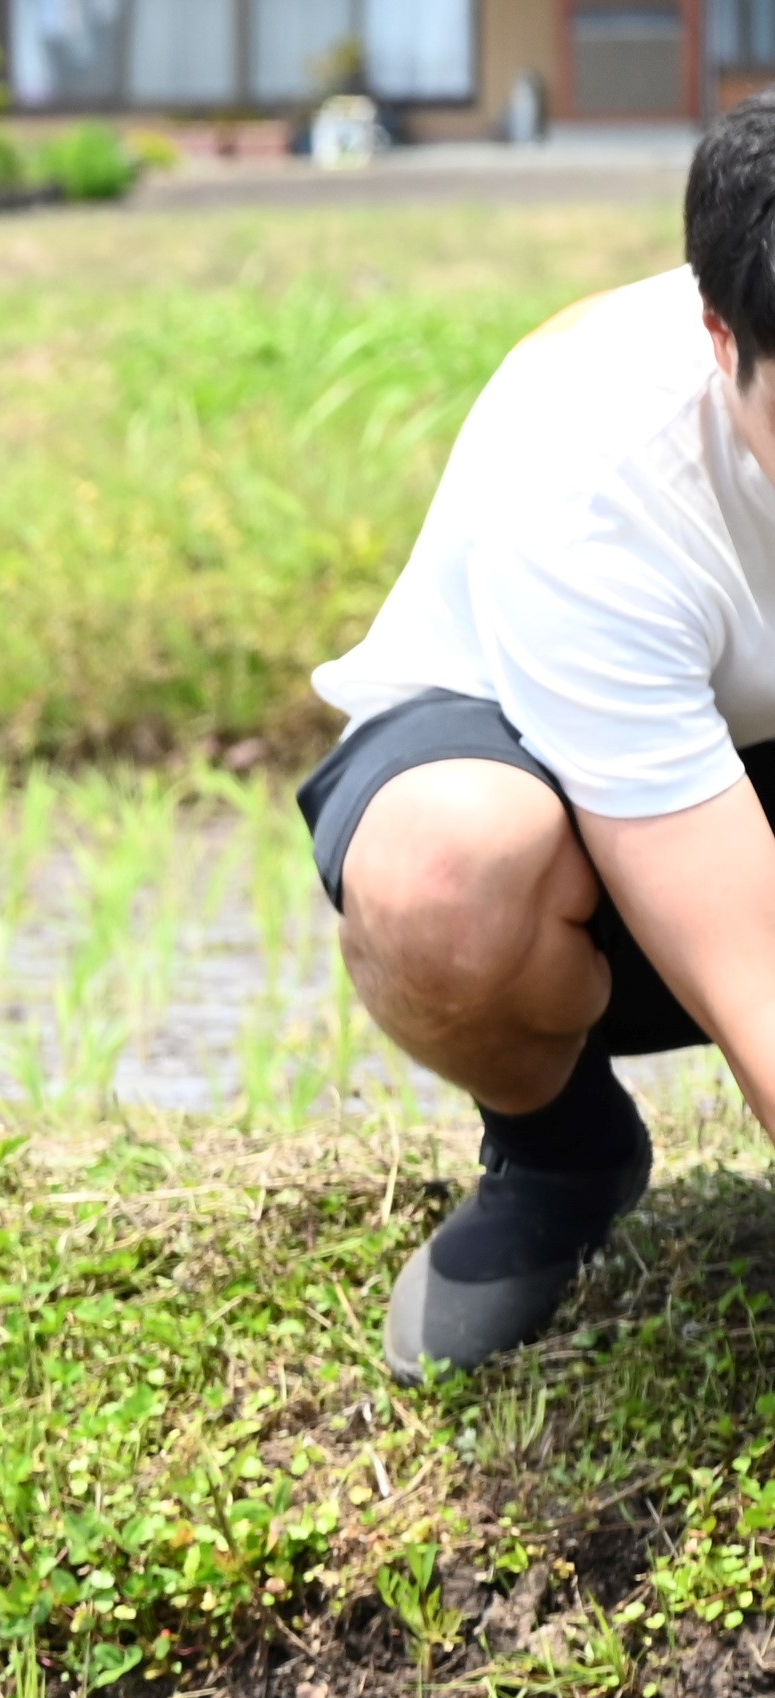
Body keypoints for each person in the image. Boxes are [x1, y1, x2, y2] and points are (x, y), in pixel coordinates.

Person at [306, 102, 775, 1377]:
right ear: (720, 335)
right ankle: (563, 1151)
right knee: (443, 884)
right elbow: (754, 970)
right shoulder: (594, 474)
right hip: (572, 797)